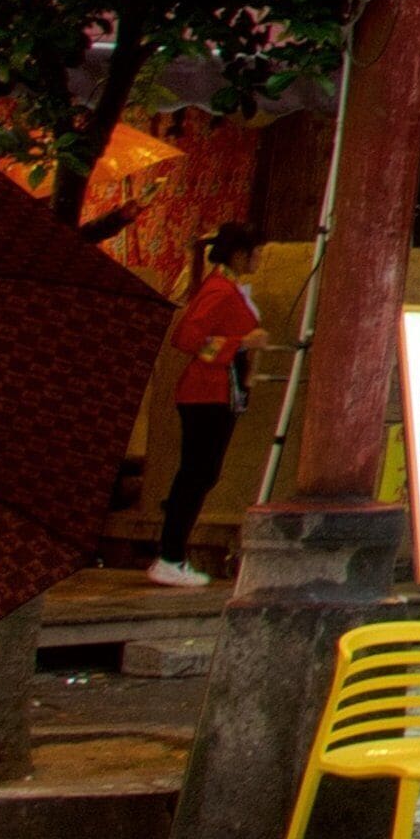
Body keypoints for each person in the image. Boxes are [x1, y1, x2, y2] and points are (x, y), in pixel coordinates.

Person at [149, 224, 269, 587]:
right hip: (205, 393)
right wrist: (240, 343)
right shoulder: (218, 290)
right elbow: (185, 337)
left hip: (221, 392)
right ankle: (170, 554)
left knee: (203, 474)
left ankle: (173, 543)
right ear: (239, 254)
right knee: (196, 473)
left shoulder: (230, 288)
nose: (260, 259)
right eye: (256, 252)